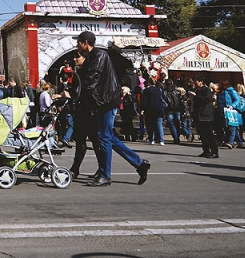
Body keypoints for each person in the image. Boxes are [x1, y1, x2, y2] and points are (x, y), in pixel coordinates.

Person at [77, 31, 149, 187]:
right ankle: (139, 163)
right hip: (102, 102)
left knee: (103, 137)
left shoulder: (99, 55)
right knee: (108, 137)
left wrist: (74, 93)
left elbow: (92, 79)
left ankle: (105, 175)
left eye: (78, 42)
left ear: (85, 43)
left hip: (106, 101)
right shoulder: (92, 57)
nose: (77, 46)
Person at [193, 76, 218, 158]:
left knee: (209, 134)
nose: (195, 83)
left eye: (196, 81)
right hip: (199, 115)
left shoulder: (206, 90)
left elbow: (206, 100)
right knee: (202, 135)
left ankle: (214, 151)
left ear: (201, 82)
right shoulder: (196, 90)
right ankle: (206, 150)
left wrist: (195, 96)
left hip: (206, 115)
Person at [141, 78, 166, 146]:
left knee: (150, 124)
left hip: (150, 109)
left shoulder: (146, 91)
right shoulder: (159, 90)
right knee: (159, 124)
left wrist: (142, 109)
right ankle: (161, 140)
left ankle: (152, 139)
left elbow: (144, 101)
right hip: (159, 108)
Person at [219, 80, 243, 149]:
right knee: (230, 128)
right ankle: (239, 142)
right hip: (223, 112)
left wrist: (232, 106)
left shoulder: (231, 91)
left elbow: (238, 100)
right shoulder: (219, 93)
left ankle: (230, 142)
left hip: (231, 112)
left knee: (231, 127)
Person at [163, 79, 182, 144]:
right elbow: (180, 101)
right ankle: (177, 137)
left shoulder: (163, 92)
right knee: (177, 123)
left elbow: (163, 101)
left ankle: (176, 138)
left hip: (169, 109)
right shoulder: (177, 92)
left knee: (171, 124)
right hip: (177, 109)